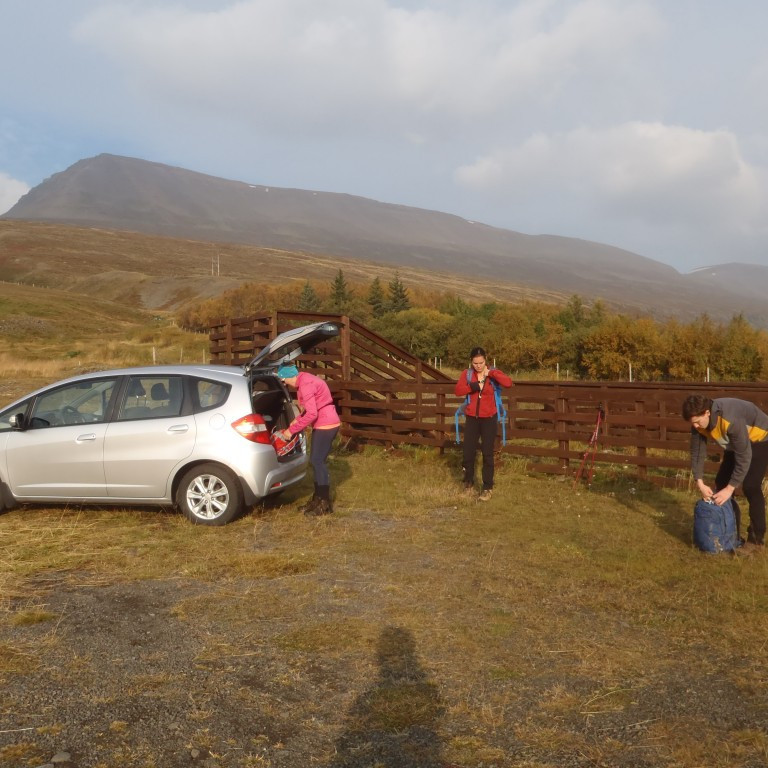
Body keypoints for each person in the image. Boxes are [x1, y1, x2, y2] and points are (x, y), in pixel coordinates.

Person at [683, 394, 768, 551]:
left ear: (706, 413)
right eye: (692, 423)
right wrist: (699, 482)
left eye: (697, 422)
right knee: (722, 482)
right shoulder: (698, 423)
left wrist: (731, 488)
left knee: (750, 486)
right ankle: (730, 533)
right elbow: (697, 452)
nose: (695, 426)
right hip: (736, 442)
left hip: (760, 438)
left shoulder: (730, 419)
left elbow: (744, 456)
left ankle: (756, 540)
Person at [276, 364, 341, 516]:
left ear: (291, 376)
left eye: (284, 380)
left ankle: (324, 504)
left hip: (326, 423)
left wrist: (290, 431)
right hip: (325, 421)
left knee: (318, 461)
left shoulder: (305, 384)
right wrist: (297, 419)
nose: (285, 383)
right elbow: (311, 408)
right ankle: (317, 500)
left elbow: (312, 414)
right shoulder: (304, 380)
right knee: (316, 461)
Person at [454, 347, 513, 501]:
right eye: (475, 363)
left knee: (487, 454)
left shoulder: (493, 373)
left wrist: (491, 373)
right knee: (468, 453)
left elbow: (508, 383)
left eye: (481, 362)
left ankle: (487, 488)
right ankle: (468, 484)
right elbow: (458, 390)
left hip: (489, 418)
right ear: (471, 362)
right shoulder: (467, 374)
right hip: (472, 418)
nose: (478, 366)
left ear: (485, 360)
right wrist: (474, 386)